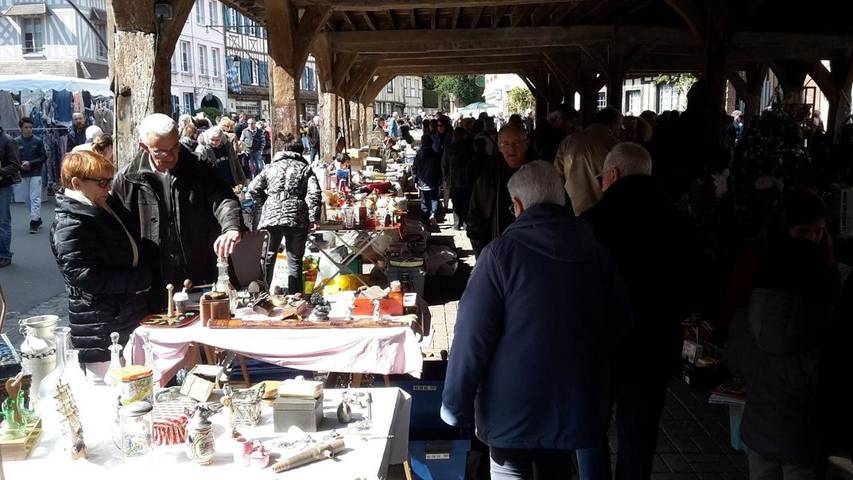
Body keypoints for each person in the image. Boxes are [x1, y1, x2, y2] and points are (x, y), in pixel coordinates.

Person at [442, 160, 631, 480]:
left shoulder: (500, 255)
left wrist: (455, 406)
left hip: (510, 412)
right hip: (574, 408)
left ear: (517, 205)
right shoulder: (596, 251)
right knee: (557, 470)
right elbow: (620, 323)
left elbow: (472, 336)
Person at [580, 143, 695, 480]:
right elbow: (690, 288)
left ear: (613, 174)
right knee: (640, 435)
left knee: (590, 430)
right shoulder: (678, 222)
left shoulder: (592, 223)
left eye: (602, 177)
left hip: (601, 348)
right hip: (654, 349)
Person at [727, 189, 841, 480]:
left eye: (818, 231)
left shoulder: (753, 272)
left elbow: (738, 342)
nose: (813, 239)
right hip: (803, 424)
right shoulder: (822, 283)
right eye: (805, 231)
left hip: (761, 414)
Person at [112, 113, 243, 309]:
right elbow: (119, 233)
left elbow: (224, 199)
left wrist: (231, 227)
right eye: (162, 152)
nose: (172, 156)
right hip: (155, 283)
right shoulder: (127, 180)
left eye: (175, 147)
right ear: (144, 147)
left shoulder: (200, 167)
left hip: (201, 275)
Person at [50, 150, 151, 382]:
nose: (108, 188)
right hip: (99, 319)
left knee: (137, 381)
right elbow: (83, 275)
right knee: (108, 385)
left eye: (109, 181)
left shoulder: (102, 203)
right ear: (77, 183)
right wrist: (138, 281)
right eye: (102, 182)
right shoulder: (70, 222)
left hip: (123, 309)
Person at [247, 134, 321, 293]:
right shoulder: (305, 168)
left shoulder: (270, 168)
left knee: (267, 258)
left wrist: (266, 203)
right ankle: (295, 300)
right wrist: (314, 218)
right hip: (296, 216)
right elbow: (315, 193)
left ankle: (261, 297)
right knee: (294, 261)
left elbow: (253, 189)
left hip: (272, 217)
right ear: (301, 152)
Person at [467, 123, 532, 256]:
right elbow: (476, 219)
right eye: (505, 144)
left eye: (517, 143)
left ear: (526, 144)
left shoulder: (539, 172)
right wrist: (483, 255)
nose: (511, 148)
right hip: (498, 249)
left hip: (532, 249)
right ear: (499, 147)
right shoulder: (490, 175)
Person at [555, 106, 622, 215]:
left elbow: (557, 175)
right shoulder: (616, 146)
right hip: (605, 210)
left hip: (574, 209)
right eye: (620, 125)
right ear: (614, 123)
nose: (620, 129)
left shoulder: (569, 141)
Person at [15, 117, 46, 234]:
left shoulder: (38, 141)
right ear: (21, 129)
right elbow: (13, 158)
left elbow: (43, 157)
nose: (29, 130)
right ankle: (37, 218)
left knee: (35, 198)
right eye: (26, 127)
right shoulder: (16, 141)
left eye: (30, 127)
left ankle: (33, 223)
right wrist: (20, 165)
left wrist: (31, 163)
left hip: (36, 173)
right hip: (23, 173)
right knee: (27, 199)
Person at [442, 127, 473, 230]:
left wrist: (446, 178)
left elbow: (444, 165)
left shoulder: (449, 148)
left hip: (453, 180)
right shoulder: (468, 148)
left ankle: (456, 224)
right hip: (466, 180)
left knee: (456, 202)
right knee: (465, 202)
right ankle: (464, 223)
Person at [0, 128, 20, 268]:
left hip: (3, 186)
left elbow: (15, 165)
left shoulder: (8, 140)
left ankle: (5, 254)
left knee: (3, 221)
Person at [413, 134, 443, 224]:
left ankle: (425, 219)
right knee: (434, 198)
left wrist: (415, 180)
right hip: (434, 181)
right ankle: (433, 213)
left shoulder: (419, 155)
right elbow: (439, 168)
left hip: (423, 182)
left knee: (424, 201)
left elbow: (414, 168)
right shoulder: (435, 154)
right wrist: (440, 179)